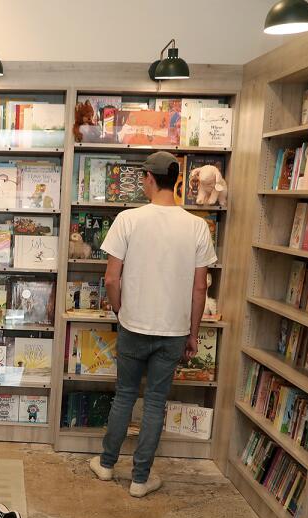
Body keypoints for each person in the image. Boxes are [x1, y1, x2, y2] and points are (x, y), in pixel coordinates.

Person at [90, 151, 217, 497]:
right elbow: (200, 286)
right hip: (174, 331)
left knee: (125, 396)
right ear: (176, 180)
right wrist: (193, 332)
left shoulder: (128, 220)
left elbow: (112, 279)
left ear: (148, 178)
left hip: (134, 325)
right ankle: (140, 480)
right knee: (156, 401)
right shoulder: (197, 226)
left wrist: (121, 311)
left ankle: (105, 464)